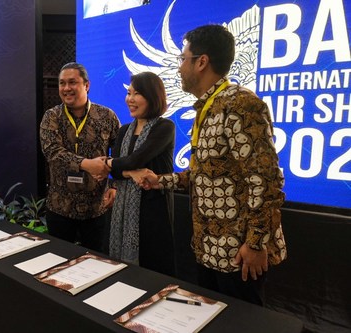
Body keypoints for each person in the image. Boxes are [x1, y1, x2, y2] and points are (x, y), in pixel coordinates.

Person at [139, 24, 287, 305]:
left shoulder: (241, 104)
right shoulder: (208, 107)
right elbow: (205, 174)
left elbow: (266, 181)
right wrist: (161, 180)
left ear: (201, 62)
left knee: (241, 324)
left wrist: (255, 243)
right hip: (209, 250)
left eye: (183, 59)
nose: (180, 67)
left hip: (238, 254)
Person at [39, 62, 120, 252]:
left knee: (96, 264)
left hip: (96, 208)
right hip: (60, 207)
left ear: (87, 85)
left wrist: (115, 186)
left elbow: (119, 154)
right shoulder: (51, 117)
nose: (66, 88)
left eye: (72, 82)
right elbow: (52, 152)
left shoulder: (106, 116)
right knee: (59, 263)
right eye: (62, 83)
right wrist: (86, 164)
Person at [105, 72, 176, 276]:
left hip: (154, 208)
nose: (130, 99)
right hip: (124, 207)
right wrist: (130, 172)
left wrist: (111, 163)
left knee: (153, 270)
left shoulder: (165, 127)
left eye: (137, 93)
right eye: (129, 93)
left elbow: (133, 160)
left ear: (153, 96)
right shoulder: (123, 131)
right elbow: (117, 173)